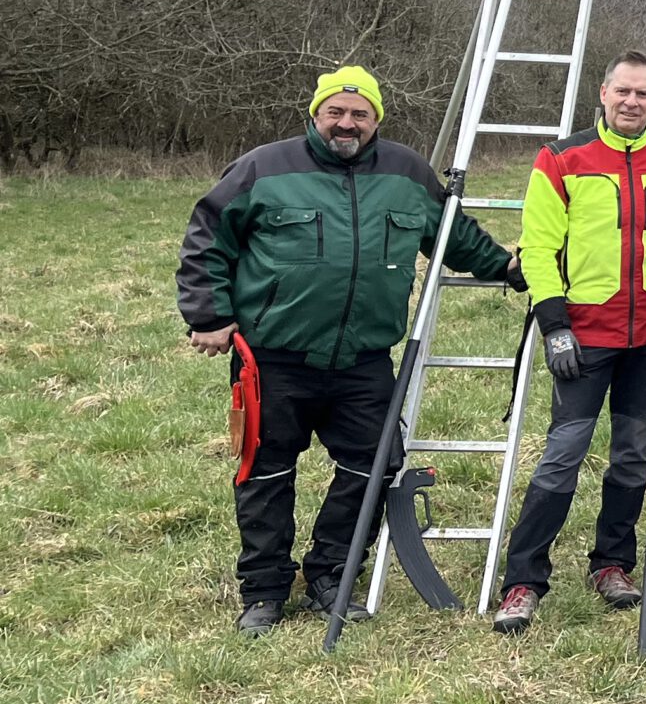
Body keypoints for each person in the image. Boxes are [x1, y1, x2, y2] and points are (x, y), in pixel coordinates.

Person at [179, 65, 521, 636]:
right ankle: (263, 591)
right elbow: (208, 237)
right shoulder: (264, 167)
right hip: (273, 359)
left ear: (375, 120)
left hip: (364, 361)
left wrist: (507, 266)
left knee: (374, 467)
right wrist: (208, 315)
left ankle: (331, 574)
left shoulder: (407, 173)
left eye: (360, 114)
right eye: (335, 111)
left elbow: (453, 237)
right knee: (265, 473)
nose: (346, 123)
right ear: (315, 114)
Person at [494, 51, 646, 635]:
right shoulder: (563, 158)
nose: (632, 102)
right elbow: (537, 248)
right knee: (564, 455)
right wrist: (554, 326)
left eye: (643, 93)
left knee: (633, 456)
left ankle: (612, 564)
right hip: (583, 336)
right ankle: (524, 579)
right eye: (622, 91)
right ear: (603, 93)